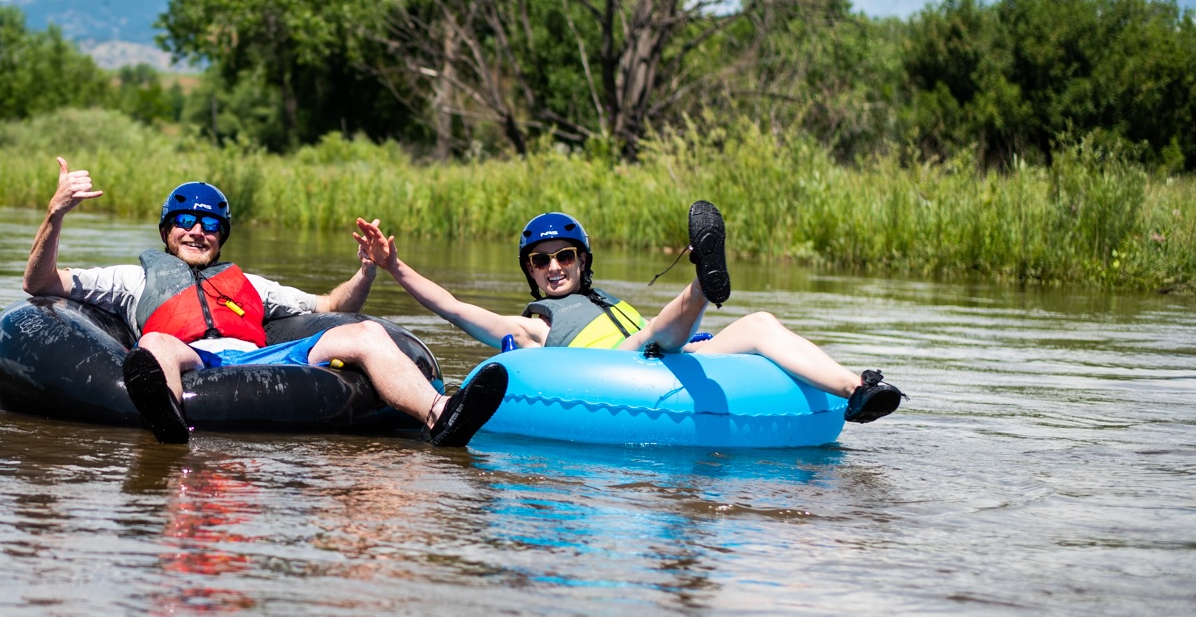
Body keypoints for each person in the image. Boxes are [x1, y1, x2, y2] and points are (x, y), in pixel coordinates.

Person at [22, 158, 509, 446]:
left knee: (366, 333)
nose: (197, 231)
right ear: (167, 231)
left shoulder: (251, 284)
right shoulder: (129, 278)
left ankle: (442, 416)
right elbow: (39, 283)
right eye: (185, 222)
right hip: (193, 358)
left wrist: (366, 270)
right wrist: (56, 213)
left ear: (222, 237)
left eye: (210, 225)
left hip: (259, 356)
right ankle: (169, 433)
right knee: (154, 344)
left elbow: (331, 304)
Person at [352, 201, 905, 423]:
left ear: (581, 260)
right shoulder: (531, 323)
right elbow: (451, 306)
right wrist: (395, 266)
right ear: (531, 272)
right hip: (618, 367)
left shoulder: (603, 300)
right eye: (541, 262)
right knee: (660, 330)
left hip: (668, 350)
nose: (553, 268)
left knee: (757, 324)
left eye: (564, 256)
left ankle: (856, 390)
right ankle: (701, 283)